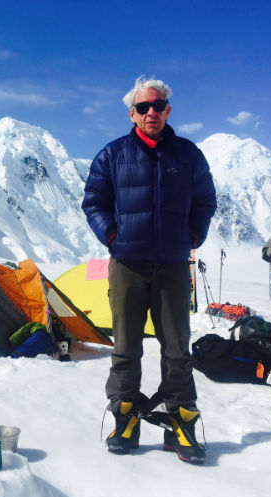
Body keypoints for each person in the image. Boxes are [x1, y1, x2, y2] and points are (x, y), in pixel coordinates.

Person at [82, 75, 217, 463]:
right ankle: (126, 418)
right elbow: (94, 201)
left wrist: (194, 233)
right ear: (132, 113)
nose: (151, 113)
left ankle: (181, 423)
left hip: (173, 266)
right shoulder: (112, 156)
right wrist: (111, 235)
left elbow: (206, 200)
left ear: (168, 110)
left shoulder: (188, 156)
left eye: (158, 106)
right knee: (125, 347)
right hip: (127, 265)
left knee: (177, 349)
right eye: (144, 107)